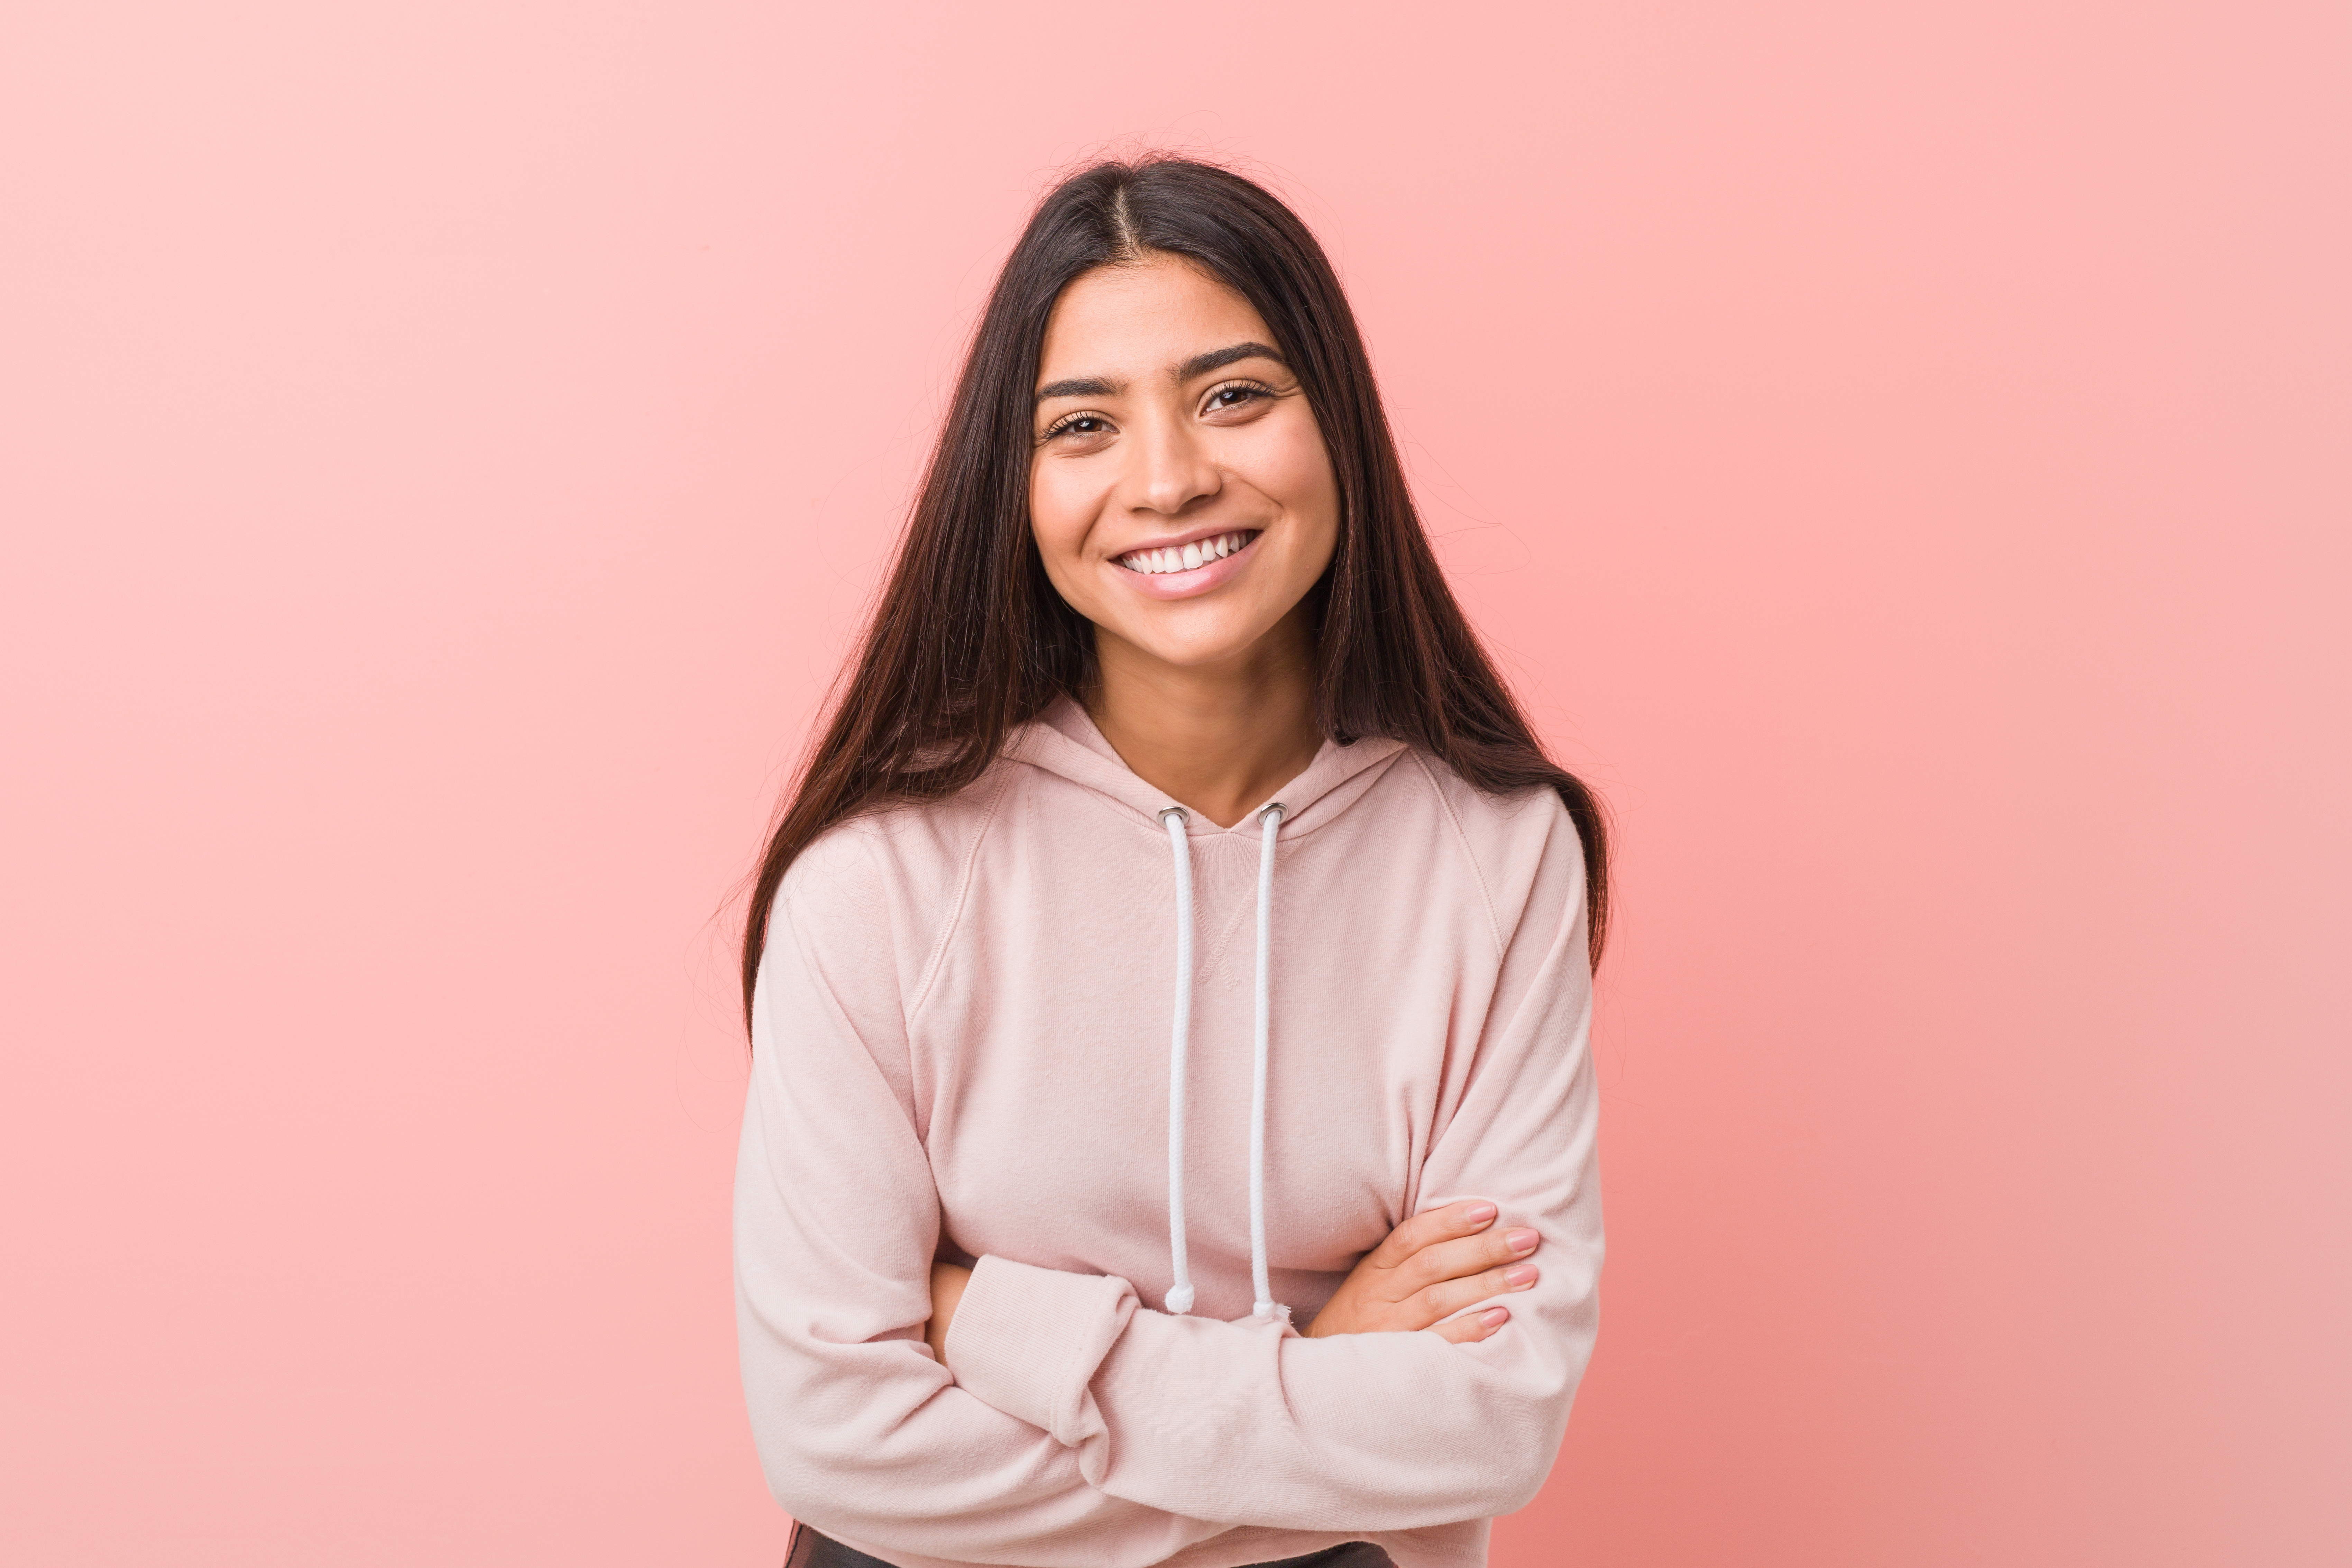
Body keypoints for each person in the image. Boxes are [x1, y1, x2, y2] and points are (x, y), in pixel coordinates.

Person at [734, 156, 1609, 1568]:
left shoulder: (1498, 858)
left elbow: (1494, 1422)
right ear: (1014, 483)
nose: (1167, 479)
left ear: (1338, 421)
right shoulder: (880, 879)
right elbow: (836, 1438)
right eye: (1083, 424)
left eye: (1233, 396)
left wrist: (998, 1324)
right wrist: (1325, 1374)